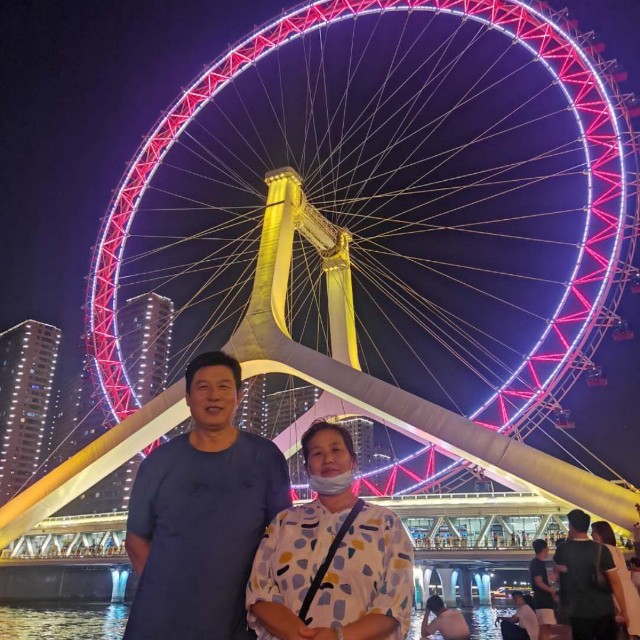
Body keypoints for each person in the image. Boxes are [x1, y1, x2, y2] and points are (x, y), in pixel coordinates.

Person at [123, 351, 292, 640]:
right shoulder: (157, 464)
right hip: (158, 624)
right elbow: (135, 540)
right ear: (188, 398)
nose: (214, 396)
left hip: (238, 623)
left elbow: (282, 536)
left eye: (224, 387)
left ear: (238, 396)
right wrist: (166, 589)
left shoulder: (267, 458)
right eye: (203, 387)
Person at [246, 420, 414, 640]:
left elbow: (395, 604)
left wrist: (338, 636)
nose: (328, 459)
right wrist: (299, 635)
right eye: (317, 453)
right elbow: (258, 592)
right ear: (306, 467)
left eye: (336, 450)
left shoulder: (387, 523)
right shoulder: (283, 523)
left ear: (353, 460)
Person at [554, 509, 629, 640]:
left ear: (571, 526)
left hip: (578, 612)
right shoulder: (601, 549)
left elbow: (558, 578)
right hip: (604, 611)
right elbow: (615, 582)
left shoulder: (562, 549)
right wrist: (623, 609)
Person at [591, 520, 640, 639]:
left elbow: (612, 580)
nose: (591, 535)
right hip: (630, 595)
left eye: (593, 532)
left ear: (600, 534)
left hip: (619, 596)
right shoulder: (616, 550)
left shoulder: (603, 550)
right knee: (631, 633)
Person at [529, 539, 557, 639]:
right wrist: (552, 591)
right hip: (543, 600)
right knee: (546, 628)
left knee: (544, 627)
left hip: (540, 600)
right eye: (547, 549)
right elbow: (538, 582)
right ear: (544, 549)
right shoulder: (538, 563)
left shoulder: (535, 563)